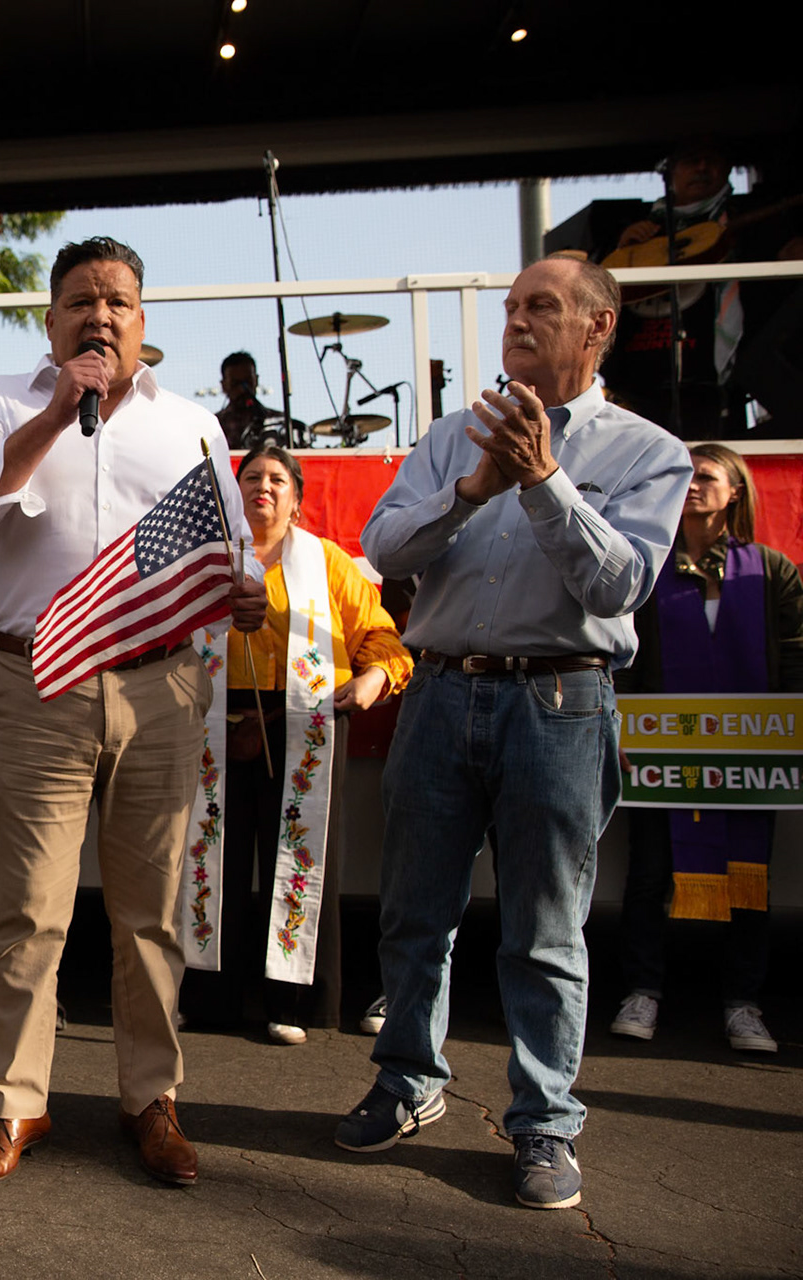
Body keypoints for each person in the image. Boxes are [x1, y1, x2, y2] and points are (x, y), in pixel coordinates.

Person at [336, 255, 690, 1212]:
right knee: (415, 912)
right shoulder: (453, 439)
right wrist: (470, 490)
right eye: (510, 309)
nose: (517, 322)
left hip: (561, 703)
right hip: (442, 692)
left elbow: (619, 587)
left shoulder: (649, 452)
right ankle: (408, 1081)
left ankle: (543, 1125)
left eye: (542, 307)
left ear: (598, 326)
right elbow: (381, 547)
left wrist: (541, 480)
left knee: (544, 929)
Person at [0, 236, 267, 1190]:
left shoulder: (193, 425)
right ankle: (15, 1105)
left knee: (150, 914)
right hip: (36, 686)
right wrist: (51, 417)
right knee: (29, 913)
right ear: (51, 320)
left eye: (117, 301)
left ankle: (149, 1100)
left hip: (161, 689)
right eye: (80, 301)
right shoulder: (1, 402)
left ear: (143, 321)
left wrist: (243, 592)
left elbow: (233, 552)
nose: (100, 317)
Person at [183, 445, 411, 1043]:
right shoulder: (205, 562)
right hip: (212, 722)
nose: (263, 485)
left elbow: (383, 640)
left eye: (277, 478)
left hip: (302, 721)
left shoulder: (327, 562)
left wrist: (373, 679)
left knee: (299, 865)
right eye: (251, 476)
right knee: (214, 861)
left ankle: (294, 1001)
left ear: (297, 499)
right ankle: (209, 998)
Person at [611, 443, 803, 1054]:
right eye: (686, 477)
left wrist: (787, 733)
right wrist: (618, 726)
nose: (693, 486)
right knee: (647, 878)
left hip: (749, 758)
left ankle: (743, 1004)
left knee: (750, 879)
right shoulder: (648, 569)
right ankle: (642, 991)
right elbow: (626, 659)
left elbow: (796, 657)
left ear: (735, 491)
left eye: (707, 477)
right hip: (659, 756)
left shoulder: (771, 572)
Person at [601, 138, 803, 438]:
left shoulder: (751, 217)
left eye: (711, 160)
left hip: (719, 378)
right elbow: (595, 289)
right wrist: (624, 251)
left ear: (727, 170)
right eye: (691, 160)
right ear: (670, 174)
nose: (702, 167)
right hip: (644, 374)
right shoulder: (639, 227)